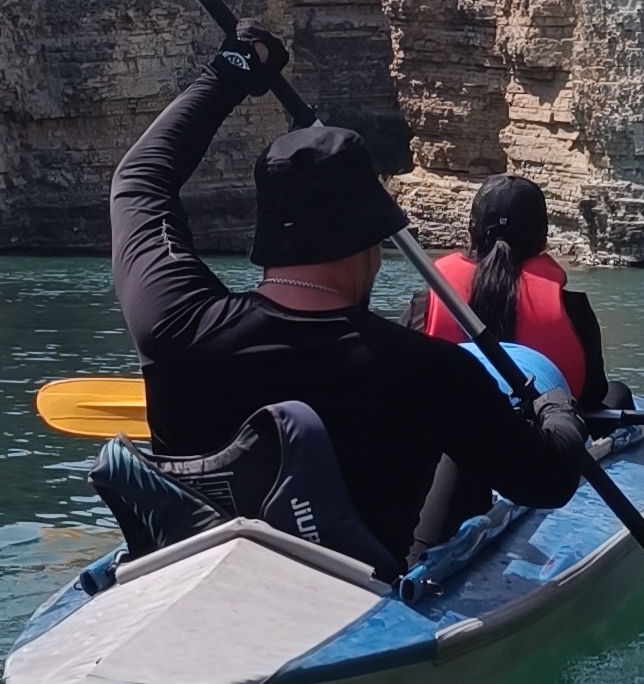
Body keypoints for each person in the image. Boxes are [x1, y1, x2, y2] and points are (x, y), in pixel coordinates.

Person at [106, 31, 589, 571]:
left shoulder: (174, 322)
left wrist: (229, 73)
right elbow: (550, 480)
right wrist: (555, 407)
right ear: (370, 242)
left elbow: (139, 181)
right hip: (355, 605)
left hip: (186, 577)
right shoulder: (432, 372)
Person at [417, 176, 616, 419]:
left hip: (449, 434)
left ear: (471, 234)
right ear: (543, 240)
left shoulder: (424, 305)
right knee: (619, 394)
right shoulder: (575, 309)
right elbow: (592, 395)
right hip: (543, 438)